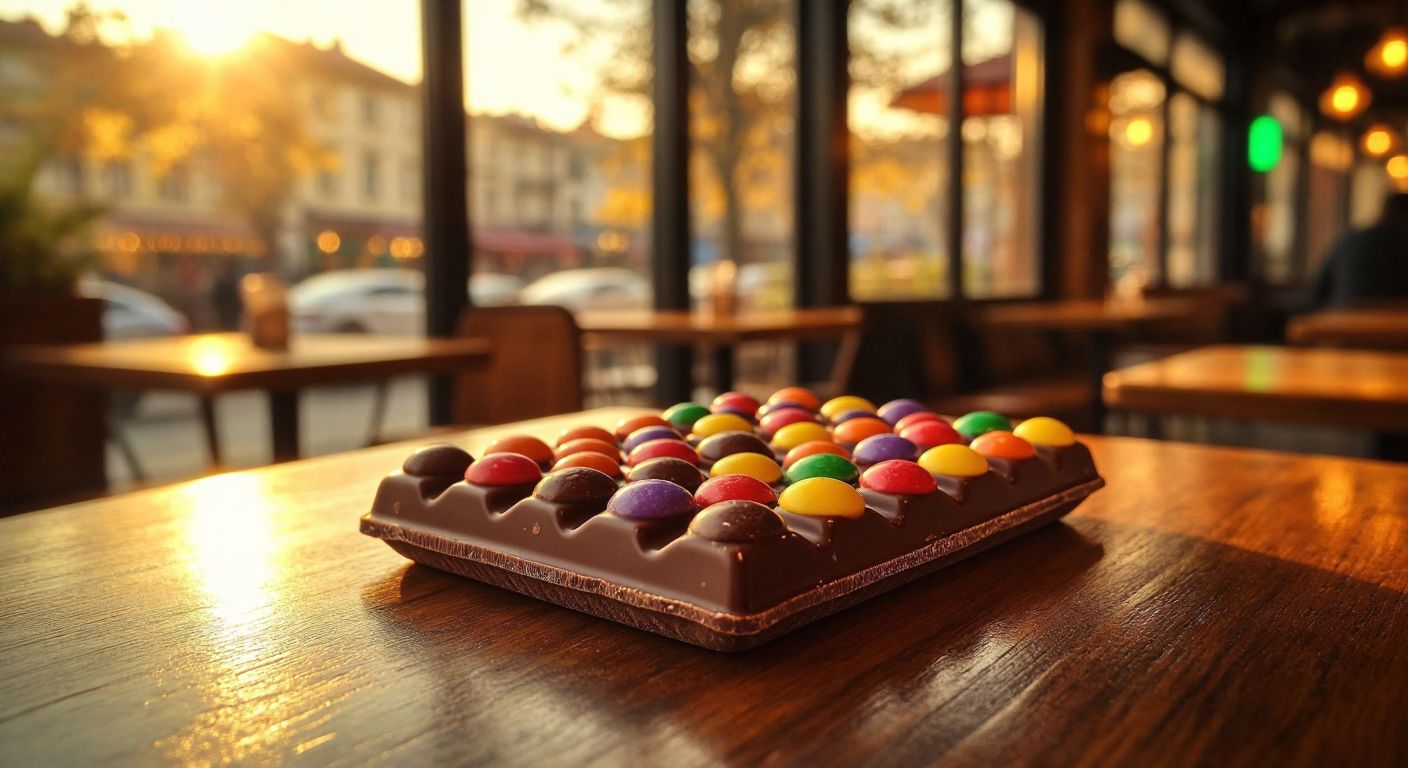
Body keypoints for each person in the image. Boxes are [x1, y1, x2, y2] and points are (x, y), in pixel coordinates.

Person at [1309, 191, 1408, 307]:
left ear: (1383, 210)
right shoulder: (1402, 242)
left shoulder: (1352, 239)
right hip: (1398, 322)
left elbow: (1317, 291)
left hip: (1342, 320)